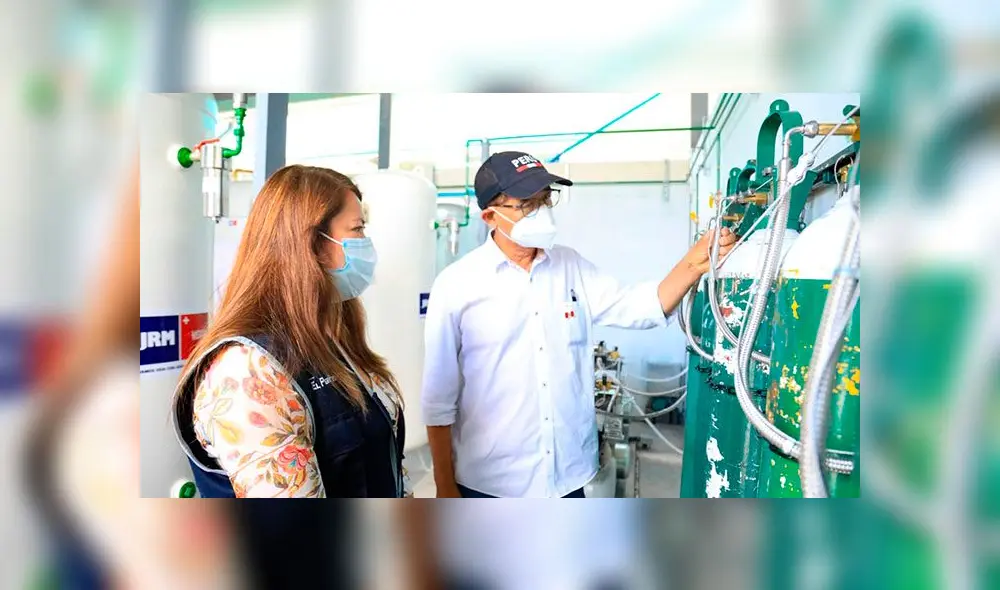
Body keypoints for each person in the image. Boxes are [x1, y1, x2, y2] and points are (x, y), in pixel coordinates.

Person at [421, 151, 736, 498]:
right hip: (490, 484)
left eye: (545, 200)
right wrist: (444, 486)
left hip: (567, 478)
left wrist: (693, 263)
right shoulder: (456, 285)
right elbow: (438, 400)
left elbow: (639, 306)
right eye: (527, 204)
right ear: (489, 216)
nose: (541, 211)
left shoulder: (569, 266)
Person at [172, 165, 406, 499]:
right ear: (311, 244)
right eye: (357, 229)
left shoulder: (332, 337)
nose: (366, 244)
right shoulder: (249, 372)